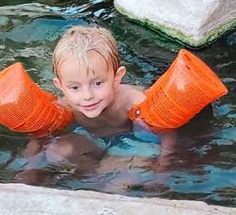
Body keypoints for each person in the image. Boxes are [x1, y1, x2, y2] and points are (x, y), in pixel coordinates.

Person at [19, 25, 171, 180]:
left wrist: (162, 171)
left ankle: (109, 178)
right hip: (95, 143)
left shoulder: (132, 101)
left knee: (117, 184)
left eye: (98, 83)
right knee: (57, 150)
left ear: (117, 78)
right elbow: (38, 139)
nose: (87, 96)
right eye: (75, 87)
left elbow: (166, 135)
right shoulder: (66, 108)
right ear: (61, 86)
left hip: (132, 143)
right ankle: (95, 178)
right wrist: (30, 170)